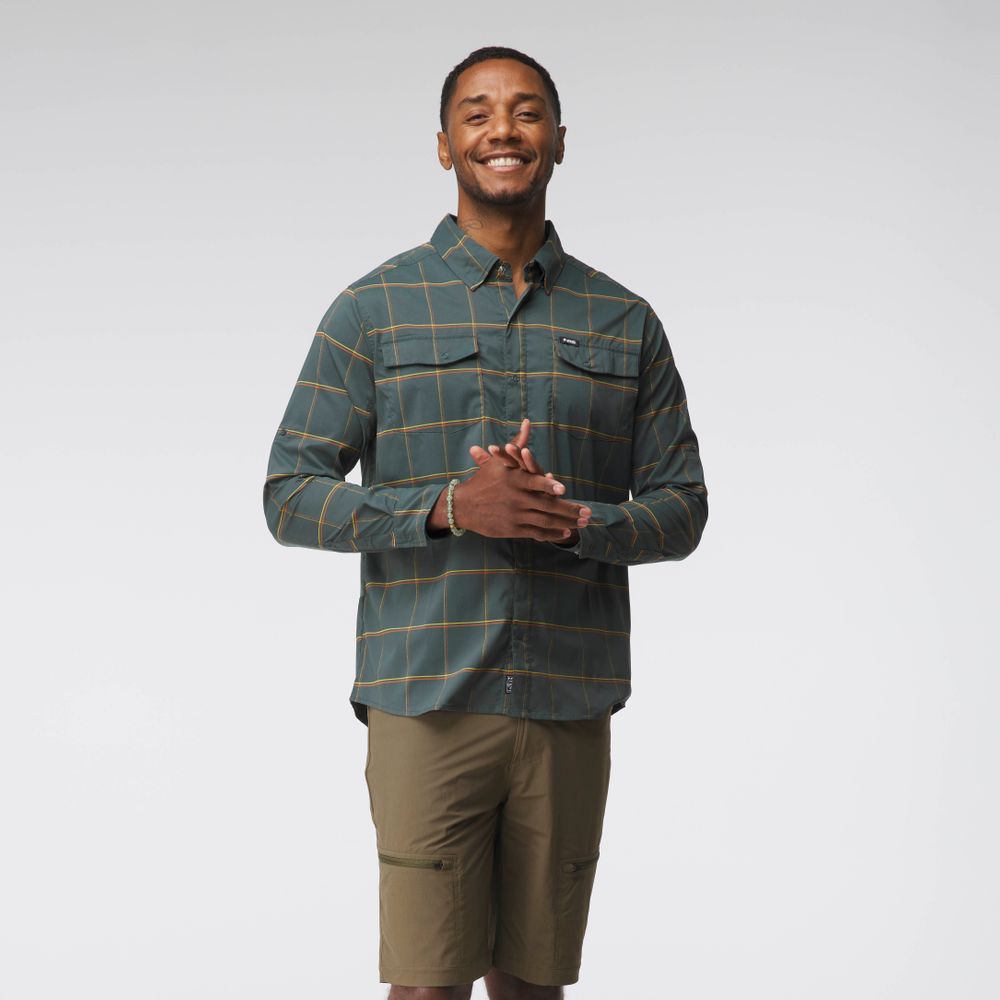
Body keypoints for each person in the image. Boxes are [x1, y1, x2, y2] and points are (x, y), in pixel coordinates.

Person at [262, 44, 709, 1000]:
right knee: (426, 984)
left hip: (568, 700)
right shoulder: (373, 310)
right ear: (443, 145)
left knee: (535, 987)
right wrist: (447, 507)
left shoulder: (624, 320)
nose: (502, 129)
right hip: (427, 701)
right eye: (477, 112)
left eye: (525, 111)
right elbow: (288, 492)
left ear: (559, 140)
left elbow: (683, 507)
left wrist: (574, 521)